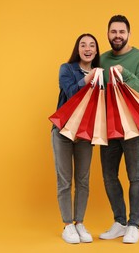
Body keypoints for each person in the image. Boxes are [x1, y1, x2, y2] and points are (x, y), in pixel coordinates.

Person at [99, 15, 139, 244]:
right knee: (109, 175)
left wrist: (125, 74)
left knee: (135, 176)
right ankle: (120, 222)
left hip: (133, 126)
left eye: (122, 32)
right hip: (108, 127)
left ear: (129, 34)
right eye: (113, 32)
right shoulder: (102, 59)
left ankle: (134, 225)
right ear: (108, 34)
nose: (117, 36)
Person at [51, 33, 100, 244]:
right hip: (63, 131)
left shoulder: (101, 73)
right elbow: (71, 92)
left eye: (92, 45)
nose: (87, 48)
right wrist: (87, 79)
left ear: (97, 51)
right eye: (83, 45)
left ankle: (80, 223)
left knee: (83, 180)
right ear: (77, 49)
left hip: (85, 133)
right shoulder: (67, 69)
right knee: (64, 180)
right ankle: (68, 225)